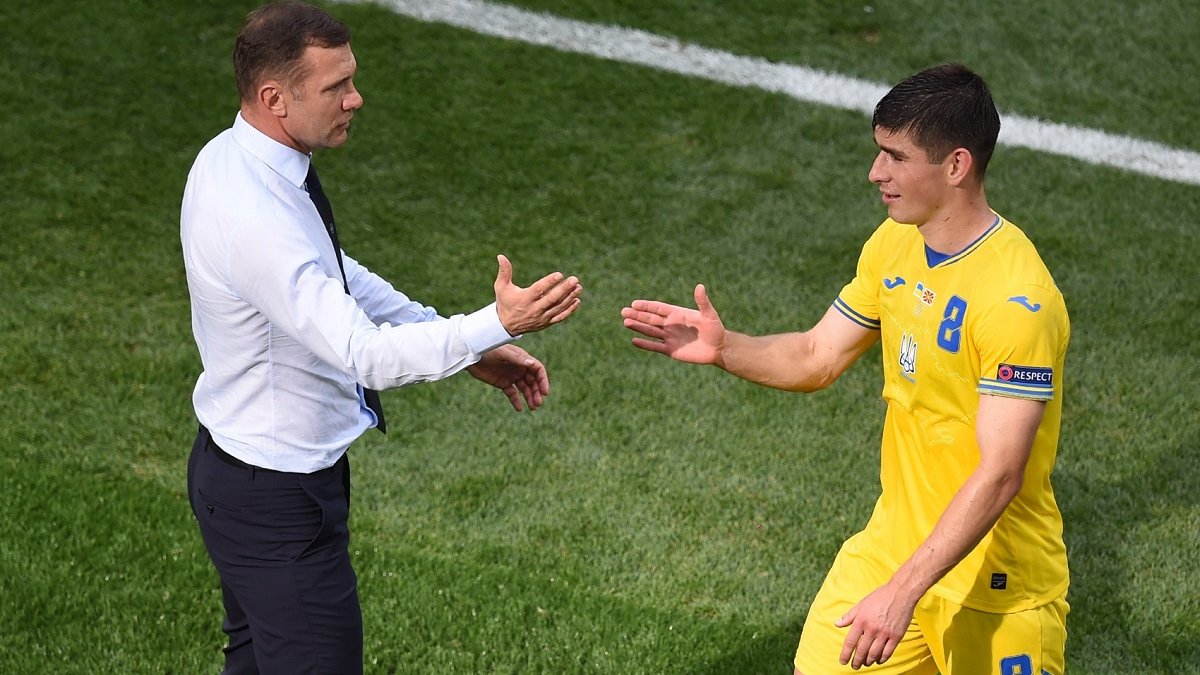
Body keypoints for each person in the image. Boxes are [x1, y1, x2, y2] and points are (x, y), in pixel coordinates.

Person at [621, 63, 1069, 674]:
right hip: (894, 547)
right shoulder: (895, 243)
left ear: (956, 166)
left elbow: (1001, 473)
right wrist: (725, 348)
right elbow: (817, 355)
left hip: (997, 584)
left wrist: (901, 593)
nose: (875, 172)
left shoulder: (1016, 302)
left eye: (896, 157)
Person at [179, 2, 583, 672]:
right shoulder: (255, 217)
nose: (355, 98)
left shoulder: (234, 158)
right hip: (276, 502)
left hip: (244, 475)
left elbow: (333, 272)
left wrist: (461, 346)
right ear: (276, 98)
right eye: (336, 86)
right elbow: (363, 355)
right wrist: (496, 323)